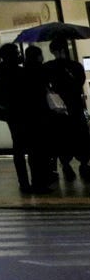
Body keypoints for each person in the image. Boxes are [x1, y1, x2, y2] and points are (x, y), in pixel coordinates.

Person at [0, 43, 46, 195]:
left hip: (12, 116)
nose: (19, 55)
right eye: (17, 52)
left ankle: (24, 183)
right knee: (33, 149)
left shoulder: (0, 74)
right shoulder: (20, 73)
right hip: (26, 114)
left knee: (18, 149)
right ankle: (37, 182)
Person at [42, 40, 89, 181]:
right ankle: (84, 164)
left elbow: (46, 86)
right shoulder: (76, 66)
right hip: (75, 107)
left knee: (62, 138)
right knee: (81, 136)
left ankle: (66, 165)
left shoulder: (48, 67)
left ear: (52, 51)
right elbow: (80, 83)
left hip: (58, 110)